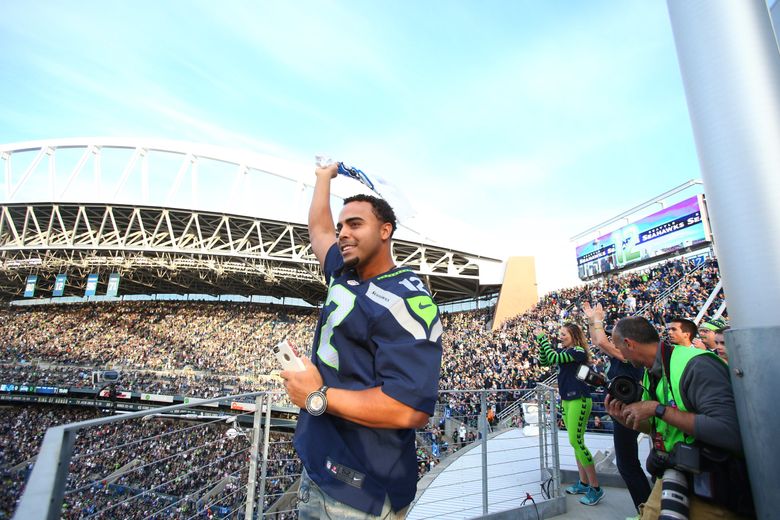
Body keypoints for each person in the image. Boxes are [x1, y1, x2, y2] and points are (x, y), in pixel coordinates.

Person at [281, 162, 443, 518]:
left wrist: (316, 396)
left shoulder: (406, 300)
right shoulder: (345, 268)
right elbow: (319, 229)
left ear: (386, 230)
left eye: (355, 224)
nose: (342, 233)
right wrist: (323, 177)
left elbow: (409, 408)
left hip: (358, 492)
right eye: (342, 226)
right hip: (324, 465)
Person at [605, 316, 754, 519]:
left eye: (618, 348)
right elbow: (660, 426)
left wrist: (658, 409)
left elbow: (729, 431)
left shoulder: (696, 364)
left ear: (629, 344)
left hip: (711, 482)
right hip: (676, 472)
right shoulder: (652, 372)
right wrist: (625, 418)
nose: (620, 354)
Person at [583, 302, 651, 513]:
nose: (614, 343)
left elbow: (601, 341)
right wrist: (591, 320)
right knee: (627, 463)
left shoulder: (627, 356)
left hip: (628, 409)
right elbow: (597, 340)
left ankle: (646, 510)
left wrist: (598, 320)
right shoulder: (620, 354)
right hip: (620, 408)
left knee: (627, 464)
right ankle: (647, 509)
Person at [534, 323, 604, 506]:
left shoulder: (578, 351)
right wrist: (542, 344)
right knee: (575, 443)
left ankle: (595, 488)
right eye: (560, 334)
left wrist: (542, 338)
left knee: (577, 442)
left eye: (564, 334)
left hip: (579, 399)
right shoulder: (565, 352)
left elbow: (551, 356)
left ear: (573, 335)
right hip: (567, 399)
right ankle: (583, 482)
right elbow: (545, 361)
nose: (560, 336)